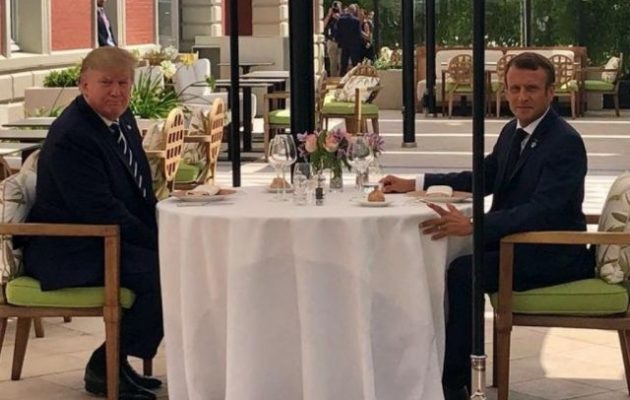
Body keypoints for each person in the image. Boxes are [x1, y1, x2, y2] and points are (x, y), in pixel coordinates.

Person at [381, 52, 594, 400]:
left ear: (550, 92)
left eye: (531, 89)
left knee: (465, 272)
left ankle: (453, 384)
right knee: (439, 257)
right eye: (514, 88)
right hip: (516, 242)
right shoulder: (513, 131)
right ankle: (417, 368)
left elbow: (542, 211)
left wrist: (473, 225)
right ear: (504, 90)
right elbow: (482, 177)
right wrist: (416, 182)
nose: (521, 97)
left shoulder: (564, 142)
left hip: (552, 252)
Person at [23, 47, 162, 400]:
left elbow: (139, 192)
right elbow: (100, 211)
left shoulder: (122, 120)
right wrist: (157, 240)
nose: (116, 91)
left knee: (180, 263)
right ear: (84, 85)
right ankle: (104, 365)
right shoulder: (74, 135)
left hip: (106, 238)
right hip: (70, 247)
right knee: (165, 275)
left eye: (123, 83)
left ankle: (116, 361)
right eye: (106, 83)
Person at [335, 4, 364, 76]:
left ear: (348, 10)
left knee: (344, 64)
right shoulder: (356, 20)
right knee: (355, 63)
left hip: (344, 44)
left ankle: (342, 78)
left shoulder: (340, 19)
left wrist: (339, 41)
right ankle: (355, 78)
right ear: (354, 11)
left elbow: (337, 31)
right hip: (354, 45)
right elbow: (358, 34)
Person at [323, 1, 342, 77]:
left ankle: (340, 79)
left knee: (340, 62)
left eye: (337, 9)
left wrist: (339, 17)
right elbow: (323, 26)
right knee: (332, 63)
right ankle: (333, 79)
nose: (335, 11)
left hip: (340, 43)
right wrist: (329, 14)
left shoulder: (342, 17)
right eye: (334, 9)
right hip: (331, 41)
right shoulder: (329, 18)